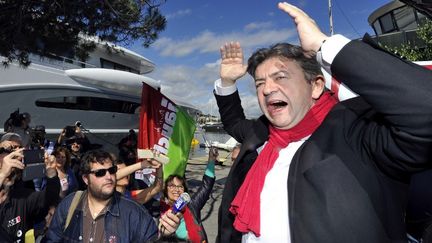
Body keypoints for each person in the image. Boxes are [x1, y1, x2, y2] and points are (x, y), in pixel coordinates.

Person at [213, 2, 432, 242]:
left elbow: (425, 110)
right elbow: (233, 121)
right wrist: (227, 82)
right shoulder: (261, 132)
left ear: (316, 86)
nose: (267, 89)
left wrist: (324, 44)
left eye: (280, 77)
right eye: (259, 83)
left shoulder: (358, 131)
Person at [43, 149, 180, 242]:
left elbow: (153, 239)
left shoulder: (134, 212)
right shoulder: (69, 204)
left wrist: (166, 236)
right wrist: (142, 164)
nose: (108, 176)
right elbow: (52, 239)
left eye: (112, 171)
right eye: (100, 173)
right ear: (85, 179)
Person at [0, 143, 60, 242]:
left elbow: (50, 197)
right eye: (3, 166)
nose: (9, 171)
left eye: (13, 167)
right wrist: (2, 175)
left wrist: (51, 171)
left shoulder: (22, 197)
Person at [159, 147, 217, 243]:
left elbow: (206, 186)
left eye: (180, 187)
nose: (176, 190)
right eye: (172, 186)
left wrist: (211, 160)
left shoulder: (192, 205)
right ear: (165, 190)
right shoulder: (159, 210)